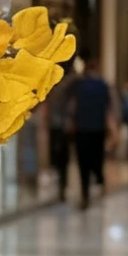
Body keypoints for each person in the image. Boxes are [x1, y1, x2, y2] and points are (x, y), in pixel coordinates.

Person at [68, 55, 113, 209]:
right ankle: (99, 180)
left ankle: (85, 193)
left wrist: (72, 123)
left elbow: (73, 106)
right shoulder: (102, 85)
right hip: (97, 129)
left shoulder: (79, 86)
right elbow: (107, 108)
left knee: (83, 163)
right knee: (97, 158)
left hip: (82, 129)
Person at [46, 62, 76, 200]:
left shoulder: (57, 87)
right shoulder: (66, 87)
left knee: (61, 158)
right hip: (59, 126)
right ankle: (61, 186)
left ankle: (61, 187)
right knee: (61, 158)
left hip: (59, 126)